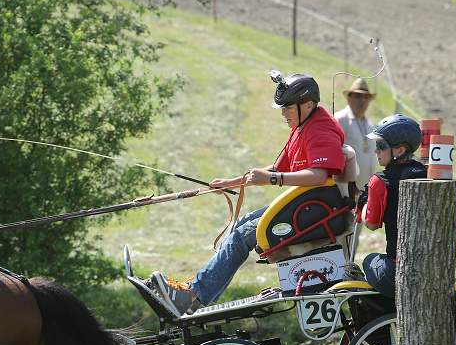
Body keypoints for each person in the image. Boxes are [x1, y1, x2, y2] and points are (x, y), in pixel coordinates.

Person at [152, 70, 345, 317]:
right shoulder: (303, 125)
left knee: (242, 236)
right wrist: (234, 182)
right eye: (281, 107)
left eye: (287, 107)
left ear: (308, 105)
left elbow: (318, 176)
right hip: (308, 206)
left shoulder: (320, 129)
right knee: (240, 228)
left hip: (318, 211)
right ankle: (194, 296)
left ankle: (191, 296)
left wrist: (272, 179)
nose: (283, 113)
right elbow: (278, 168)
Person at [358, 115, 426, 298]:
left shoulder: (380, 181)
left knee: (369, 260)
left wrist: (363, 202)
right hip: (431, 268)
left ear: (400, 150)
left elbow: (371, 224)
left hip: (398, 270)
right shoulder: (430, 174)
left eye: (381, 146)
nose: (376, 151)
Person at [334, 78, 377, 190]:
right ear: (349, 98)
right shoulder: (340, 119)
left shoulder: (369, 123)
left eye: (366, 97)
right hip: (346, 190)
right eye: (358, 96)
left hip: (365, 189)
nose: (363, 100)